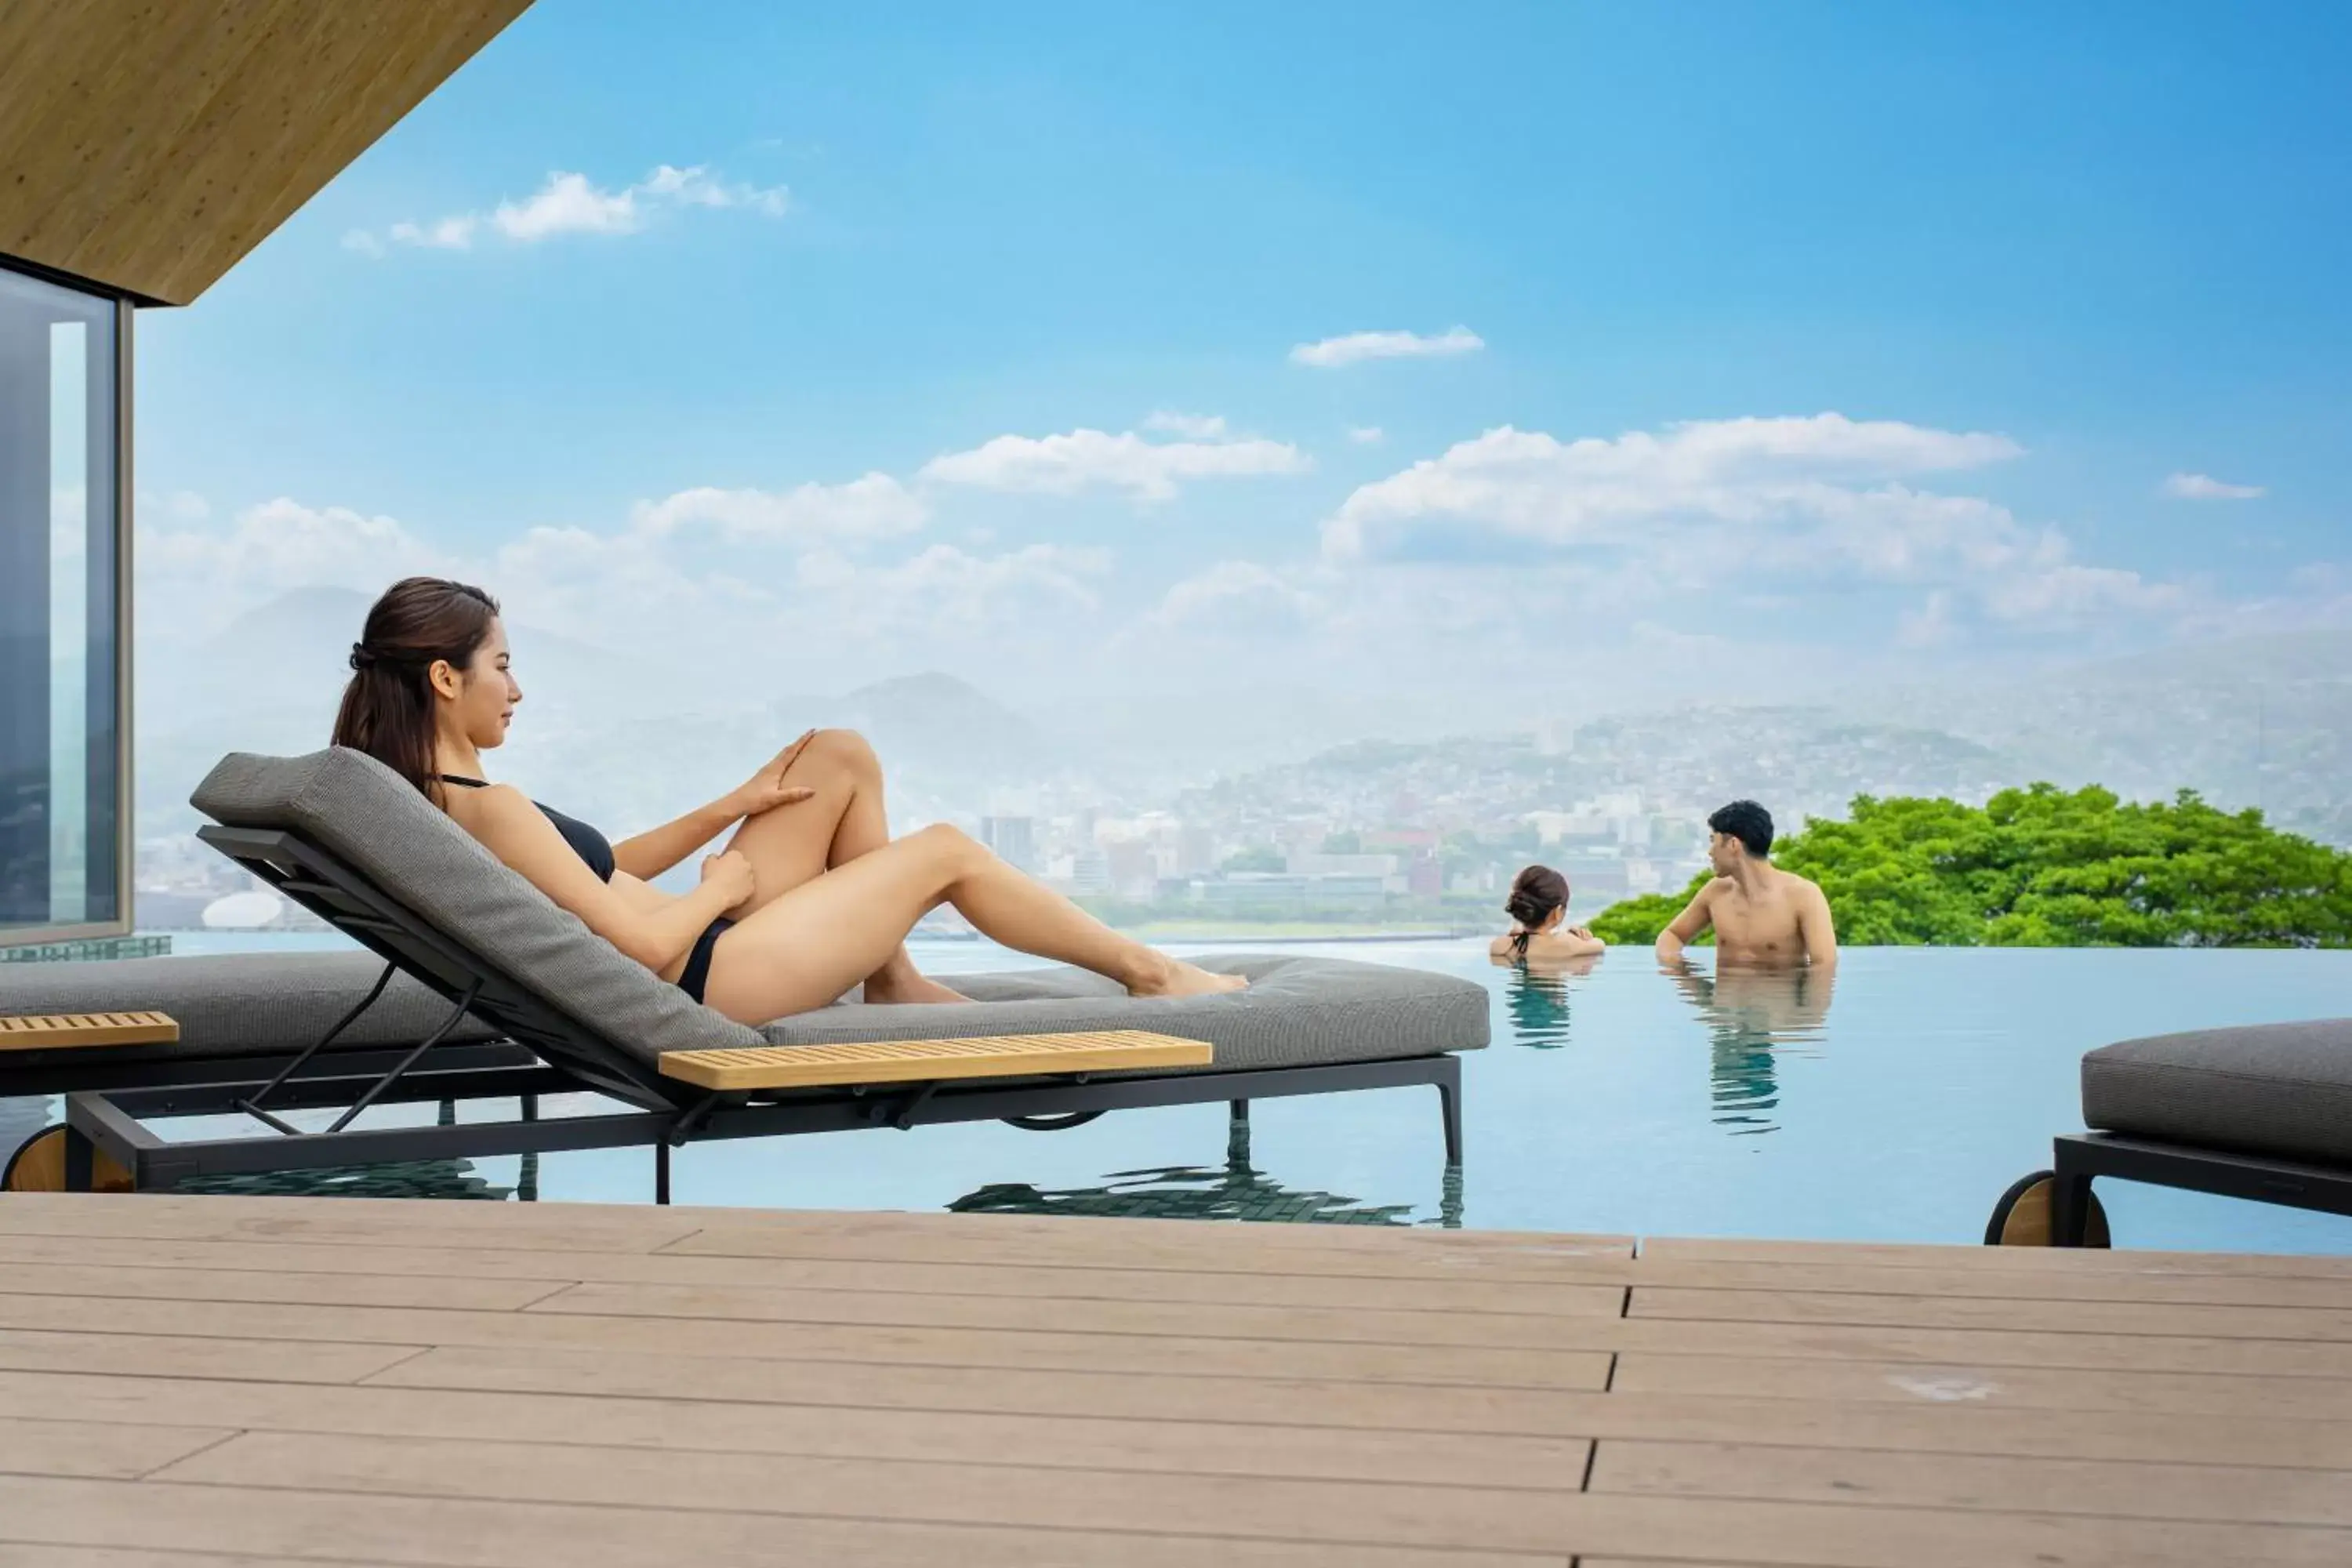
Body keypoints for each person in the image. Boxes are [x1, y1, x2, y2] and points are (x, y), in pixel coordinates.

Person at [330, 577, 1245, 1025]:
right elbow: (645, 947)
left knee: (835, 754)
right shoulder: (488, 803)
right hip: (712, 970)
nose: (517, 689)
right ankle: (1149, 971)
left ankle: (889, 979)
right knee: (945, 850)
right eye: (503, 665)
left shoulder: (442, 797)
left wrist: (734, 804)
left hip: (705, 937)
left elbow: (598, 876)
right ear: (447, 678)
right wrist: (723, 888)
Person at [1654, 800, 1837, 968]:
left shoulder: (1803, 896)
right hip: (1725, 1002)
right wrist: (1684, 975)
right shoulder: (1715, 892)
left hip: (1777, 1002)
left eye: (1713, 842)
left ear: (1733, 844)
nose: (1710, 852)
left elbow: (1824, 968)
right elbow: (1673, 935)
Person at [1488, 865, 1606, 967]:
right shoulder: (1569, 944)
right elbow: (1600, 945)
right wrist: (1584, 938)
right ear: (1558, 912)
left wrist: (1520, 933)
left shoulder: (1500, 946)